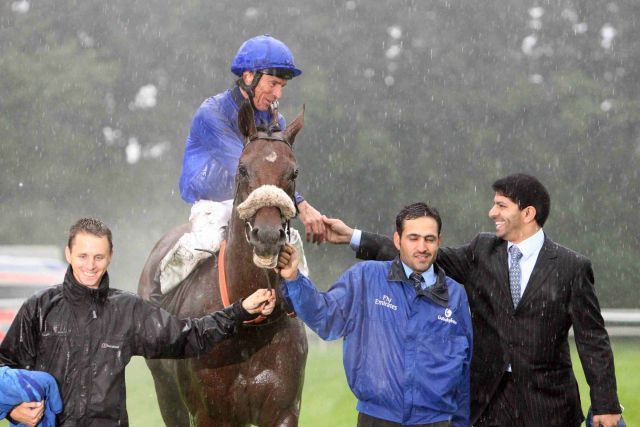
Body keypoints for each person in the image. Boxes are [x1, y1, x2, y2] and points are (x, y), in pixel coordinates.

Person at [323, 174, 622, 427]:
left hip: (549, 406)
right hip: (486, 404)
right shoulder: (482, 250)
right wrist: (354, 236)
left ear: (528, 213)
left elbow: (592, 338)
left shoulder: (571, 267)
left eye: (501, 205)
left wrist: (606, 403)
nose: (492, 212)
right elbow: (422, 255)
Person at [0, 218, 276, 426]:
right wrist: (11, 408)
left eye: (98, 257)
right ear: (68, 254)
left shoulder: (127, 310)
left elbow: (188, 336)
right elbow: (3, 365)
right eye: (82, 256)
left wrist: (239, 311)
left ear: (110, 256)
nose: (90, 265)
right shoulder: (39, 308)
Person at [278, 203, 472, 427]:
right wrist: (294, 279)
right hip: (377, 419)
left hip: (436, 421)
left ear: (439, 241)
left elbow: (463, 368)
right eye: (413, 238)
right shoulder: (366, 277)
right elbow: (325, 317)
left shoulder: (455, 294)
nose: (422, 247)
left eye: (429, 239)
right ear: (398, 241)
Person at [160, 34, 325, 293]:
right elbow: (246, 169)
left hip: (263, 204)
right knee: (206, 240)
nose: (278, 93)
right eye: (273, 84)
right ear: (249, 77)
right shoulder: (212, 113)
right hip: (214, 205)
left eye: (282, 86)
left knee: (294, 245)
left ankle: (300, 307)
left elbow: (275, 176)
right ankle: (158, 301)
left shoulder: (277, 124)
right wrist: (302, 206)